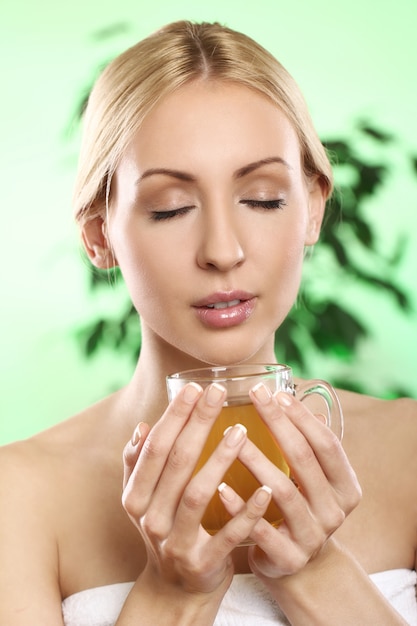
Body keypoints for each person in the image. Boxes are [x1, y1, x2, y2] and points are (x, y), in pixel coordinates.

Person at [0, 19, 416, 626]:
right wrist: (175, 595)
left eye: (263, 199)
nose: (222, 250)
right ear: (98, 235)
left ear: (313, 210)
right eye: (171, 208)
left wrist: (317, 571)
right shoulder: (18, 495)